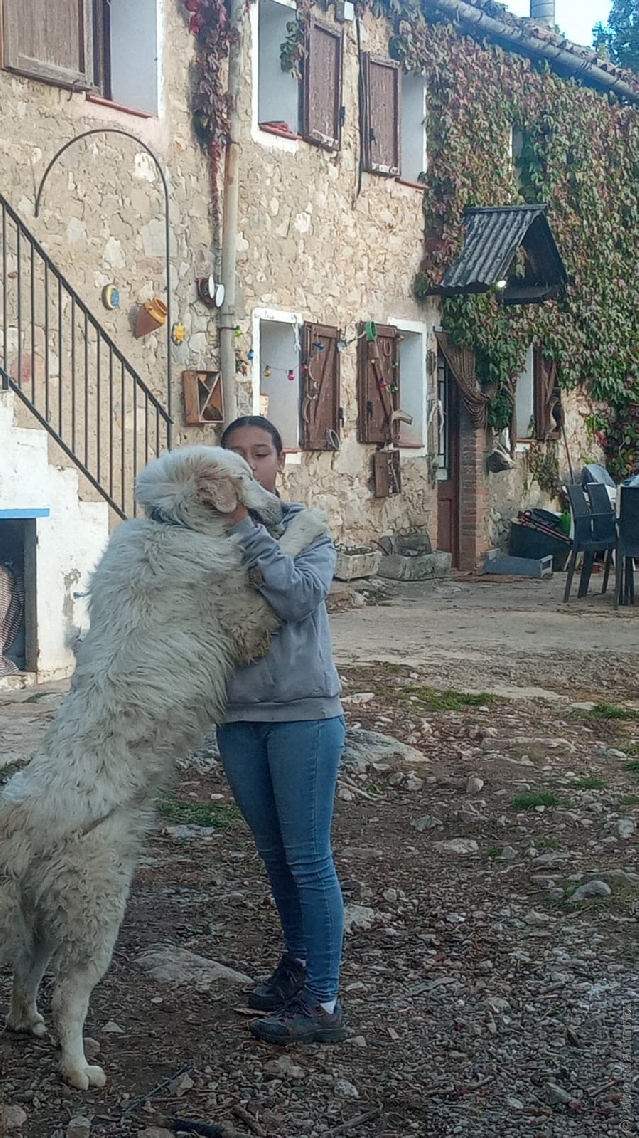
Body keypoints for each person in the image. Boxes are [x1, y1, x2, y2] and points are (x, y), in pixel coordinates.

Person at [216, 415, 347, 1044]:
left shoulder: (308, 530)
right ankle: (296, 967)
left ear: (279, 462)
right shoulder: (199, 539)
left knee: (308, 858)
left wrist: (244, 528)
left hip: (303, 716)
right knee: (274, 857)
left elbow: (296, 599)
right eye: (234, 457)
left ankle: (322, 1004)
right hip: (237, 717)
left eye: (259, 454)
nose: (247, 467)